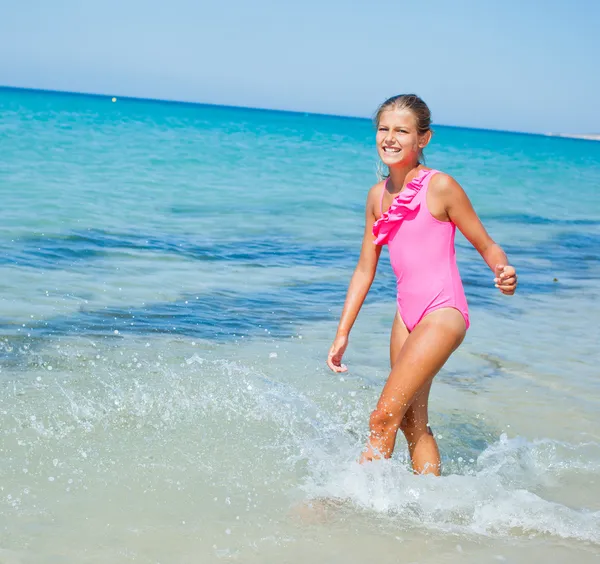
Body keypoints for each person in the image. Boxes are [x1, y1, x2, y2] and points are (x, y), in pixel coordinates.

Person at [326, 94, 517, 476]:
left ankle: (348, 499)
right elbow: (365, 269)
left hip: (443, 312)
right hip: (405, 317)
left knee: (382, 417)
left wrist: (503, 269)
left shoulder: (440, 186)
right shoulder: (376, 197)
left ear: (423, 139)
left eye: (402, 130)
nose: (390, 138)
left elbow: (485, 242)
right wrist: (342, 332)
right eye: (384, 128)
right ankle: (432, 512)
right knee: (412, 422)